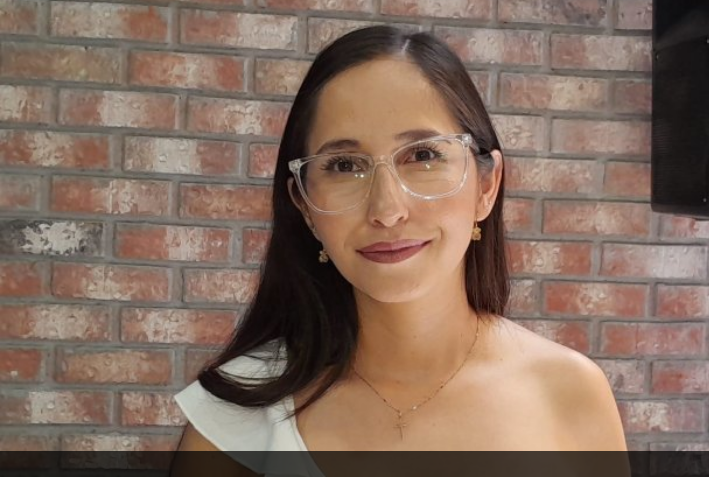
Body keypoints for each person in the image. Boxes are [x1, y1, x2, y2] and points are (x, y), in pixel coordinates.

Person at [172, 25, 629, 475]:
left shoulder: (568, 394)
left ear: (487, 186)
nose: (387, 211)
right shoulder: (235, 420)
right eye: (344, 165)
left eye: (423, 156)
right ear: (305, 205)